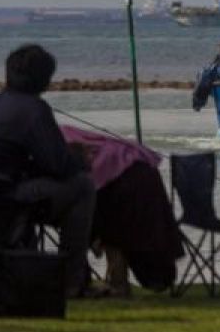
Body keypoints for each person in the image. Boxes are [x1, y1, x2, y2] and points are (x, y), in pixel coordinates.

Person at [0, 44, 96, 296]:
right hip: (8, 196)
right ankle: (71, 281)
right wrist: (79, 157)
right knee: (83, 187)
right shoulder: (34, 109)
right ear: (44, 81)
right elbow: (59, 166)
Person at [61, 125, 183, 294]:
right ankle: (118, 282)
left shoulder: (60, 141)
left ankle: (118, 284)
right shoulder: (63, 133)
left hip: (125, 178)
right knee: (113, 229)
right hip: (135, 170)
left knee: (112, 231)